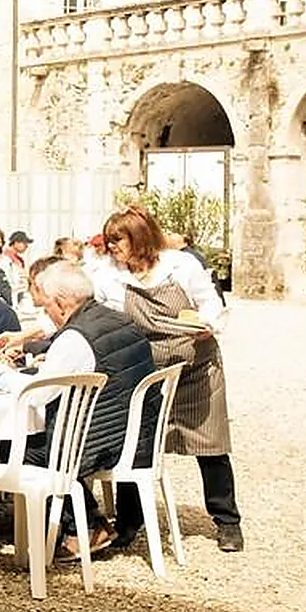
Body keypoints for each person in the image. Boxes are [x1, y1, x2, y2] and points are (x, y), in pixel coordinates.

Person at [0, 261, 161, 558]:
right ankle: (90, 520)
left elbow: (37, 396)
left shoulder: (76, 338)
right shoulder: (118, 319)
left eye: (46, 305)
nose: (45, 312)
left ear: (60, 303)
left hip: (102, 442)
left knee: (13, 447)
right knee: (36, 442)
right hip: (136, 433)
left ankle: (83, 528)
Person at [92, 206, 243, 552]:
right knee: (138, 445)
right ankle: (130, 523)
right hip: (145, 373)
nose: (113, 247)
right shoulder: (108, 275)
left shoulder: (181, 265)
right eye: (110, 241)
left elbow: (210, 303)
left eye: (119, 240)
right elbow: (96, 311)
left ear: (140, 239)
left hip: (195, 369)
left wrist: (209, 325)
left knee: (211, 446)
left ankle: (227, 522)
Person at [5, 230, 33, 302]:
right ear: (16, 243)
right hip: (13, 292)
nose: (27, 246)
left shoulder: (18, 258)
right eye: (24, 243)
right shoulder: (6, 258)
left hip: (19, 291)